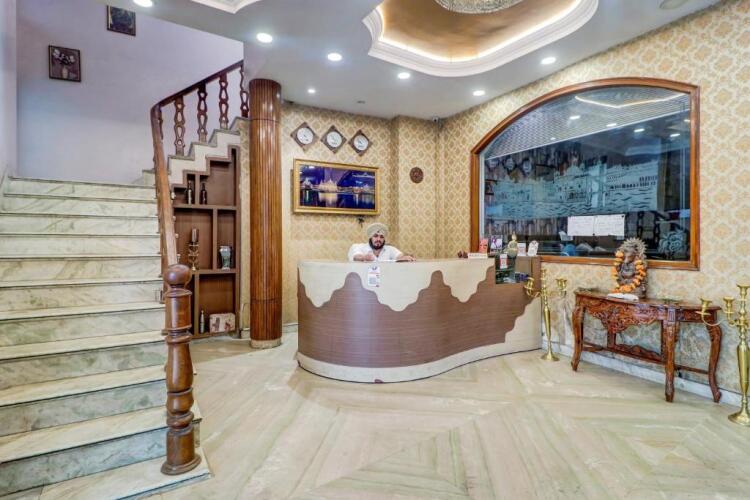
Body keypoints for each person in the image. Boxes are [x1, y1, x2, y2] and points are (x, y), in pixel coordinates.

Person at [347, 223, 415, 262]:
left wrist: (405, 257)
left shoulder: (390, 249)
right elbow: (356, 257)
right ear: (370, 238)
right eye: (375, 236)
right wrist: (364, 257)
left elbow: (400, 256)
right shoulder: (358, 246)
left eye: (381, 237)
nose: (378, 239)